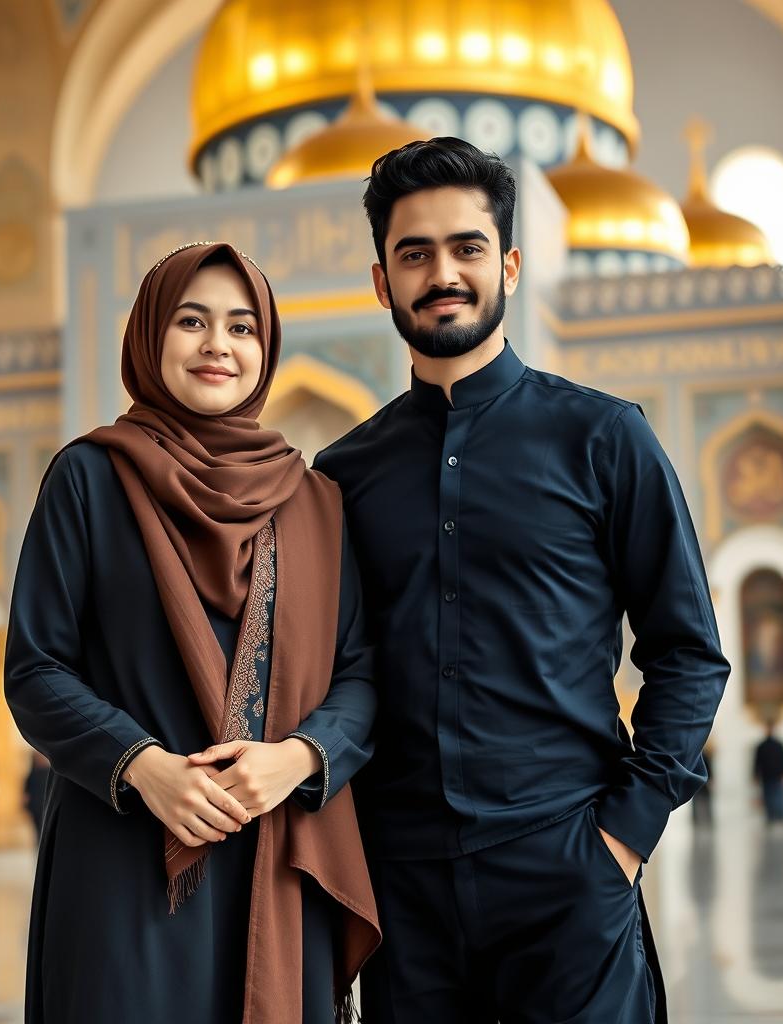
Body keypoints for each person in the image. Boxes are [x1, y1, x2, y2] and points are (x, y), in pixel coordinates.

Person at [313, 138, 730, 1024]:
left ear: (506, 263)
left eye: (466, 248)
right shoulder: (342, 475)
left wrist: (623, 836)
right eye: (413, 253)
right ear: (382, 283)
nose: (442, 274)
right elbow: (333, 674)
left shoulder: (604, 438)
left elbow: (688, 652)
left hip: (569, 866)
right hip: (407, 893)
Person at [4, 241, 379, 1024]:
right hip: (125, 859)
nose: (219, 345)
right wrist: (142, 766)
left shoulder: (315, 501)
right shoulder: (91, 478)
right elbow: (36, 668)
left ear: (267, 348)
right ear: (149, 336)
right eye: (192, 321)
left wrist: (300, 758)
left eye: (243, 328)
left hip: (275, 860)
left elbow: (361, 676)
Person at [753, 721, 783, 822]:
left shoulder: (779, 745)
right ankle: (771, 816)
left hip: (777, 776)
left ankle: (780, 816)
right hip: (766, 776)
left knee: (778, 797)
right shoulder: (761, 746)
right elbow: (757, 762)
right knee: (768, 797)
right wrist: (755, 776)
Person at [22, 750, 50, 841]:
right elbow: (26, 793)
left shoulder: (49, 773)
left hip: (46, 805)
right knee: (38, 829)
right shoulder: (32, 774)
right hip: (35, 806)